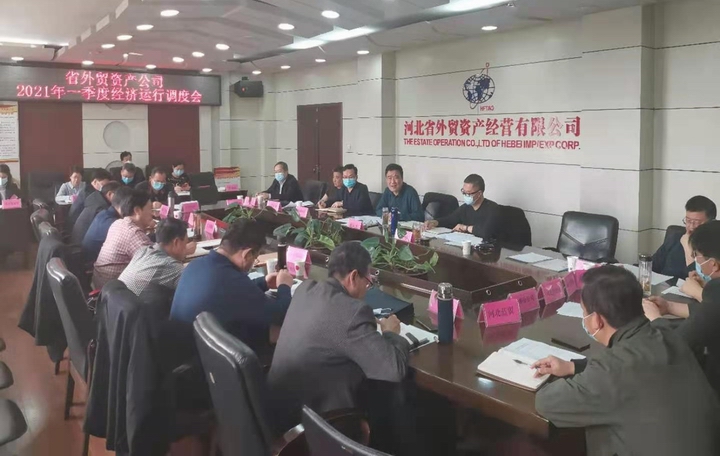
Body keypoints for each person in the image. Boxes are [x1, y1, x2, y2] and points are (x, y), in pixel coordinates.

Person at [534, 266, 720, 456]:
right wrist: (573, 366)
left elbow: (546, 402)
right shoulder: (665, 333)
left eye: (584, 312)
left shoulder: (612, 368)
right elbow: (632, 370)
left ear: (596, 320)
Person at [268, 241, 410, 432]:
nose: (367, 288)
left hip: (279, 414)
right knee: (393, 398)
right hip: (313, 429)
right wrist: (391, 333)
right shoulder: (353, 311)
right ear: (353, 276)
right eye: (368, 282)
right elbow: (393, 369)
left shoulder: (305, 290)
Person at [171, 218, 294, 346]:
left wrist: (264, 282)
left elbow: (232, 292)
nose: (254, 262)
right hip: (203, 353)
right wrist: (284, 286)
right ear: (247, 254)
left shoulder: (195, 264)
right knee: (277, 331)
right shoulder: (232, 280)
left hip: (185, 344)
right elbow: (282, 315)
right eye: (255, 258)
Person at [645, 220, 720, 394]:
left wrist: (655, 318)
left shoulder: (716, 289)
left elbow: (676, 346)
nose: (695, 261)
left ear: (714, 264)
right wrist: (669, 306)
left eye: (697, 256)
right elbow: (711, 313)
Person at [119, 217, 192, 308]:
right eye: (185, 243)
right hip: (139, 314)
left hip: (118, 309)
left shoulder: (143, 251)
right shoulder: (168, 265)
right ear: (176, 242)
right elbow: (195, 290)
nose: (186, 247)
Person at [93, 190, 154, 289]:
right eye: (150, 209)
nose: (152, 213)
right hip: (115, 291)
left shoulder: (118, 223)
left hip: (102, 284)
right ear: (137, 210)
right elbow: (156, 265)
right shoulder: (133, 233)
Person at [653, 195, 716, 281]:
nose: (691, 227)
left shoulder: (715, 248)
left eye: (697, 222)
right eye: (688, 221)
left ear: (711, 223)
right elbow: (652, 265)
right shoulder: (675, 237)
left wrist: (687, 247)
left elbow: (700, 281)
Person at [425, 174, 501, 240]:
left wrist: (465, 228)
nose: (465, 196)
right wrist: (435, 222)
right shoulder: (466, 207)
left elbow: (486, 231)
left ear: (479, 193)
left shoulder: (493, 208)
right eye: (463, 192)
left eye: (468, 193)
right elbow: (450, 219)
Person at [81, 186, 133, 263]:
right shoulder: (112, 222)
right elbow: (131, 240)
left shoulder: (104, 213)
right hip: (92, 263)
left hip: (88, 258)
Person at [70, 181, 121, 245]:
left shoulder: (96, 200)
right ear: (110, 194)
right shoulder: (101, 208)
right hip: (81, 245)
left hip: (78, 242)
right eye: (119, 196)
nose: (120, 199)